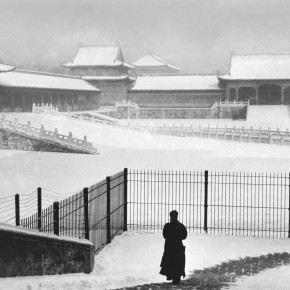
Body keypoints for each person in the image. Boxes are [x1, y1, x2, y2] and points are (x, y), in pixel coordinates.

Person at [159, 210, 187, 285]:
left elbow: (165, 235)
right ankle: (176, 276)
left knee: (170, 261)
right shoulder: (181, 226)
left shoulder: (167, 226)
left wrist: (171, 236)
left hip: (169, 246)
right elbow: (184, 236)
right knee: (178, 262)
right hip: (178, 246)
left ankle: (171, 275)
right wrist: (177, 236)